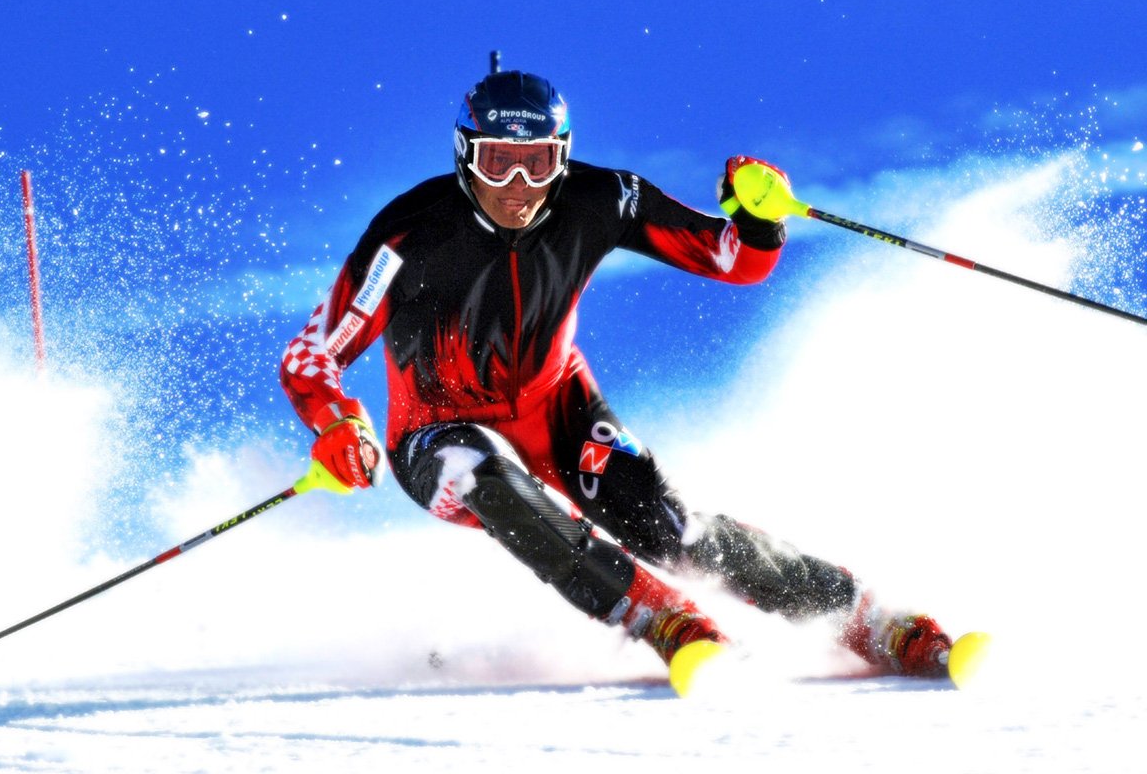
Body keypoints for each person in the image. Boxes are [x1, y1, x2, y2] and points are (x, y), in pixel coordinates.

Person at [280, 68, 953, 693]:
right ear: (465, 155)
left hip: (557, 410)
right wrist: (337, 421)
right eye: (497, 161)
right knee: (486, 476)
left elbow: (731, 260)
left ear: (563, 156)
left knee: (670, 528)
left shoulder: (604, 199)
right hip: (436, 431)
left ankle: (871, 620)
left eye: (539, 162)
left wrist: (758, 217)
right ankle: (667, 622)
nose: (518, 184)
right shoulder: (405, 235)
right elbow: (315, 353)